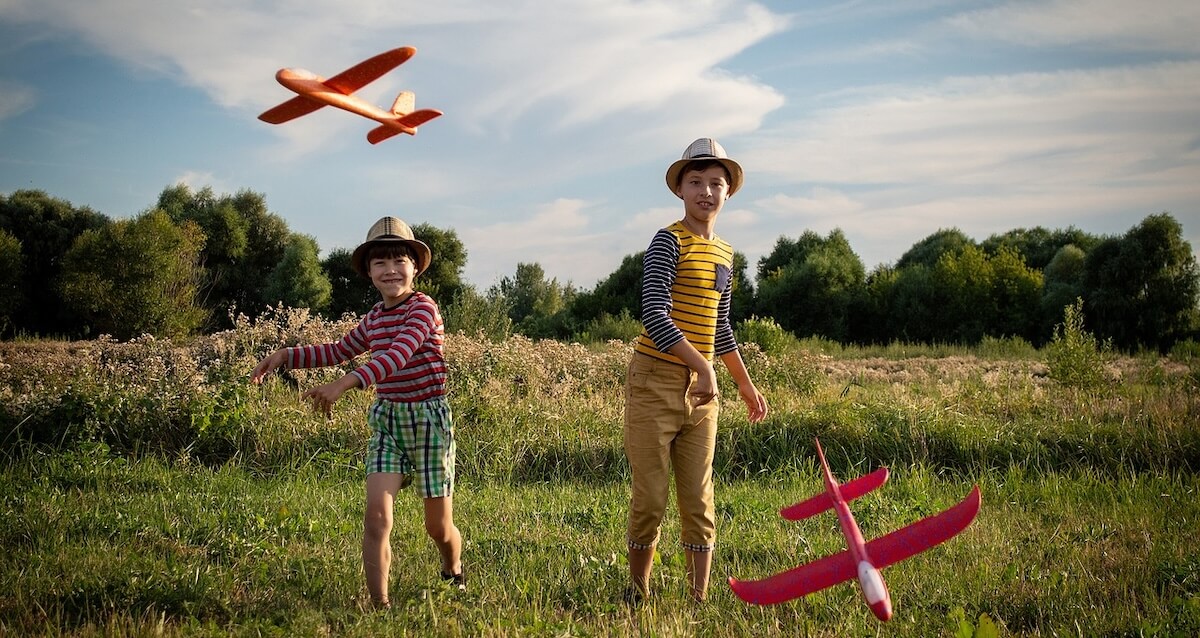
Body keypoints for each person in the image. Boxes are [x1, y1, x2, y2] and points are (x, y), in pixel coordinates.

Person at [251, 216, 464, 610]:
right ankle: (379, 605)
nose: (390, 270)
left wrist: (343, 384)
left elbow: (397, 356)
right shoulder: (373, 318)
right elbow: (336, 350)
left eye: (399, 260)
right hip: (389, 424)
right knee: (377, 518)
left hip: (430, 423)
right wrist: (286, 355)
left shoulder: (423, 309)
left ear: (415, 267)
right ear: (368, 272)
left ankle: (453, 570)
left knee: (437, 527)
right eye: (379, 263)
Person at [623, 138, 769, 603]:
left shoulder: (726, 253)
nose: (706, 191)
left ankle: (698, 601)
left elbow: (720, 326)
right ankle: (638, 592)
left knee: (699, 500)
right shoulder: (668, 240)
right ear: (680, 190)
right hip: (654, 383)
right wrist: (701, 366)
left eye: (715, 183)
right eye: (696, 182)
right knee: (650, 499)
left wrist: (744, 385)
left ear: (728, 193)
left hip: (703, 395)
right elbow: (653, 312)